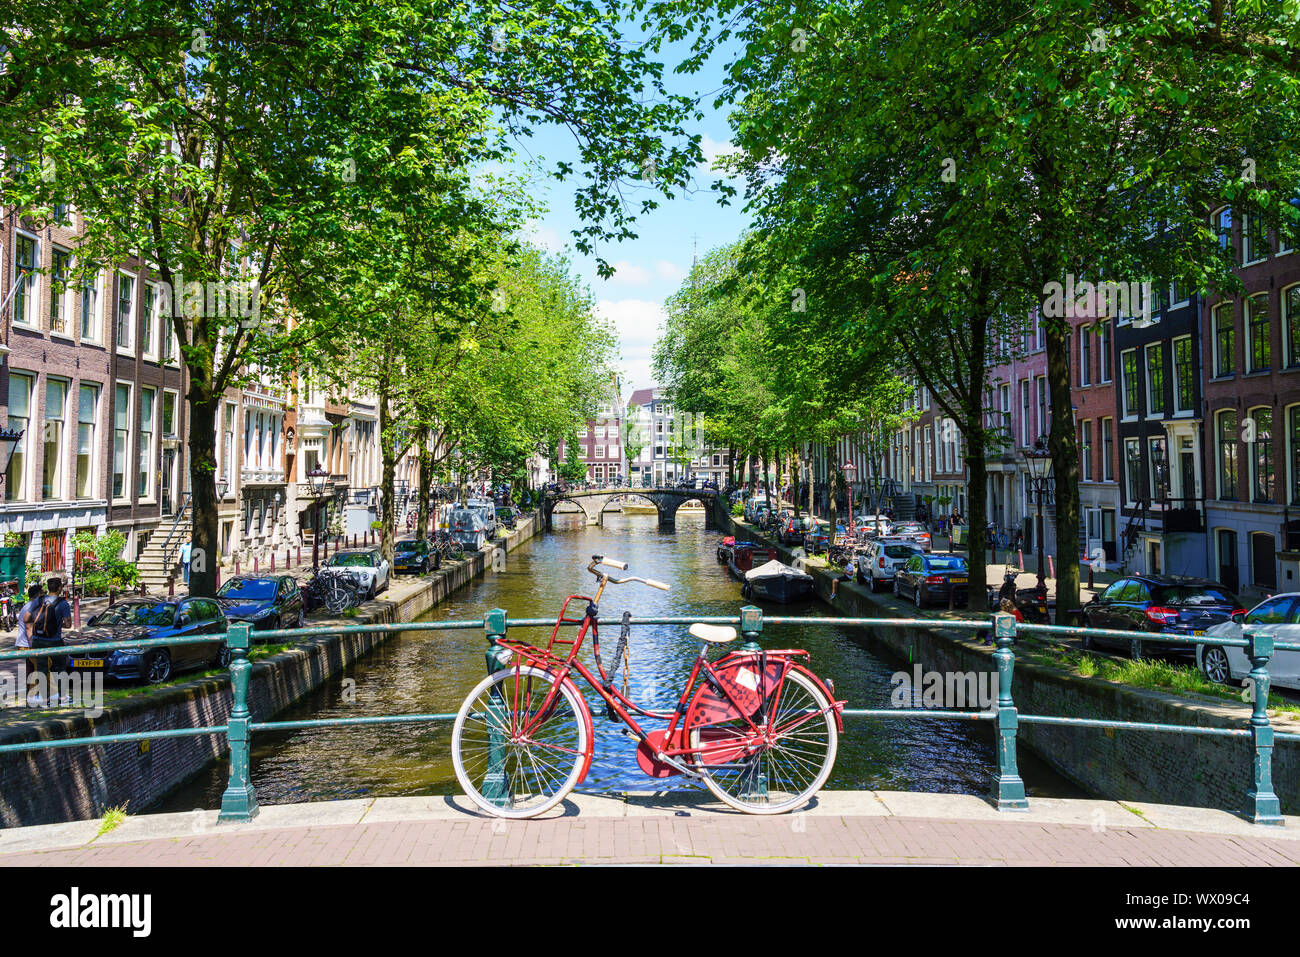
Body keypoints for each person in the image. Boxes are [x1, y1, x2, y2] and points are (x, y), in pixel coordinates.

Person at [30, 577, 72, 706]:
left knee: (41, 669)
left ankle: (43, 698)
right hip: (54, 641)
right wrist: (57, 625)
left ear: (48, 588)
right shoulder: (63, 603)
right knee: (60, 668)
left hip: (38, 640)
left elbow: (28, 617)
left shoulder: (38, 600)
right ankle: (63, 697)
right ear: (59, 588)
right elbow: (68, 624)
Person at [17, 582, 44, 705]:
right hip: (28, 644)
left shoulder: (27, 606)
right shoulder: (31, 608)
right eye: (43, 594)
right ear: (38, 595)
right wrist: (35, 646)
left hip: (24, 643)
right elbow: (29, 629)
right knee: (41, 668)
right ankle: (34, 696)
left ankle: (31, 697)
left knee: (32, 670)